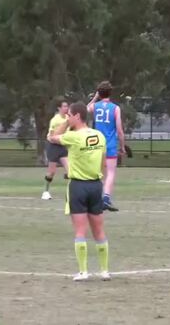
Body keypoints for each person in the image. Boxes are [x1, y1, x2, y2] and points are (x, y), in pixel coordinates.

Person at [48, 101, 110, 281]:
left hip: (78, 186)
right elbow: (103, 162)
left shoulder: (74, 137)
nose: (68, 117)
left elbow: (53, 137)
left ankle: (83, 271)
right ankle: (104, 270)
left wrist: (66, 124)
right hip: (96, 184)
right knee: (99, 230)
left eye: (70, 115)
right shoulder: (99, 135)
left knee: (80, 231)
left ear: (77, 116)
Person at [88, 81, 125, 212]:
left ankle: (94, 198)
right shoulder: (115, 108)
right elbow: (119, 130)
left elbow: (87, 108)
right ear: (111, 92)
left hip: (96, 144)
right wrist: (123, 146)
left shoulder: (95, 106)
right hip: (109, 145)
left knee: (98, 173)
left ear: (99, 92)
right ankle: (106, 199)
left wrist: (95, 97)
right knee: (110, 173)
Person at [42, 98, 70, 200]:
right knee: (52, 172)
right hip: (53, 146)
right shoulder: (55, 120)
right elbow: (52, 136)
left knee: (70, 170)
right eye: (64, 106)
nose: (66, 108)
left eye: (67, 106)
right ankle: (45, 192)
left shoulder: (68, 118)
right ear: (59, 108)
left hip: (63, 146)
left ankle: (70, 193)